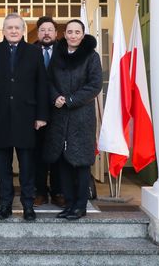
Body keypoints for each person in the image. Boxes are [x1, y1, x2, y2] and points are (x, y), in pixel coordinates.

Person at [0, 13, 48, 221]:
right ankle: (5, 205)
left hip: (27, 117)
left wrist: (41, 116)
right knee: (2, 166)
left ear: (23, 30)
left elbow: (41, 86)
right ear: (3, 30)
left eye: (17, 27)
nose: (13, 31)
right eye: (9, 27)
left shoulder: (34, 52)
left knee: (27, 166)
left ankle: (28, 205)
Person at [43, 19, 102, 220]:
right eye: (70, 32)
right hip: (59, 116)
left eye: (77, 32)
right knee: (63, 161)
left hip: (81, 117)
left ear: (83, 34)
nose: (73, 35)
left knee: (81, 162)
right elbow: (48, 80)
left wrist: (69, 100)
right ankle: (68, 204)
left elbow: (95, 85)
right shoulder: (58, 55)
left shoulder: (91, 57)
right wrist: (54, 97)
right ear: (65, 34)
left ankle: (80, 205)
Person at [33, 16, 65, 208]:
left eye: (50, 30)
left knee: (58, 153)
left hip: (61, 111)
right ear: (38, 33)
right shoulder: (30, 51)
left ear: (56, 33)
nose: (46, 33)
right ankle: (40, 192)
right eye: (43, 30)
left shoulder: (65, 51)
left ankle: (58, 191)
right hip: (36, 112)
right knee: (38, 153)